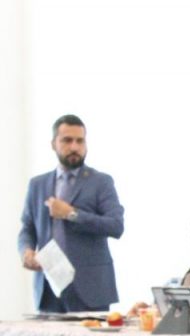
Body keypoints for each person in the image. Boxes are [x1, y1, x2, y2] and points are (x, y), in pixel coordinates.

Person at [18, 114, 125, 312]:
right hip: (48, 288)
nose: (74, 147)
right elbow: (27, 227)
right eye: (67, 140)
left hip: (91, 290)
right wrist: (26, 251)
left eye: (80, 141)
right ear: (53, 144)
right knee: (47, 335)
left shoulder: (101, 182)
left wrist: (72, 214)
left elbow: (116, 226)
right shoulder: (37, 184)